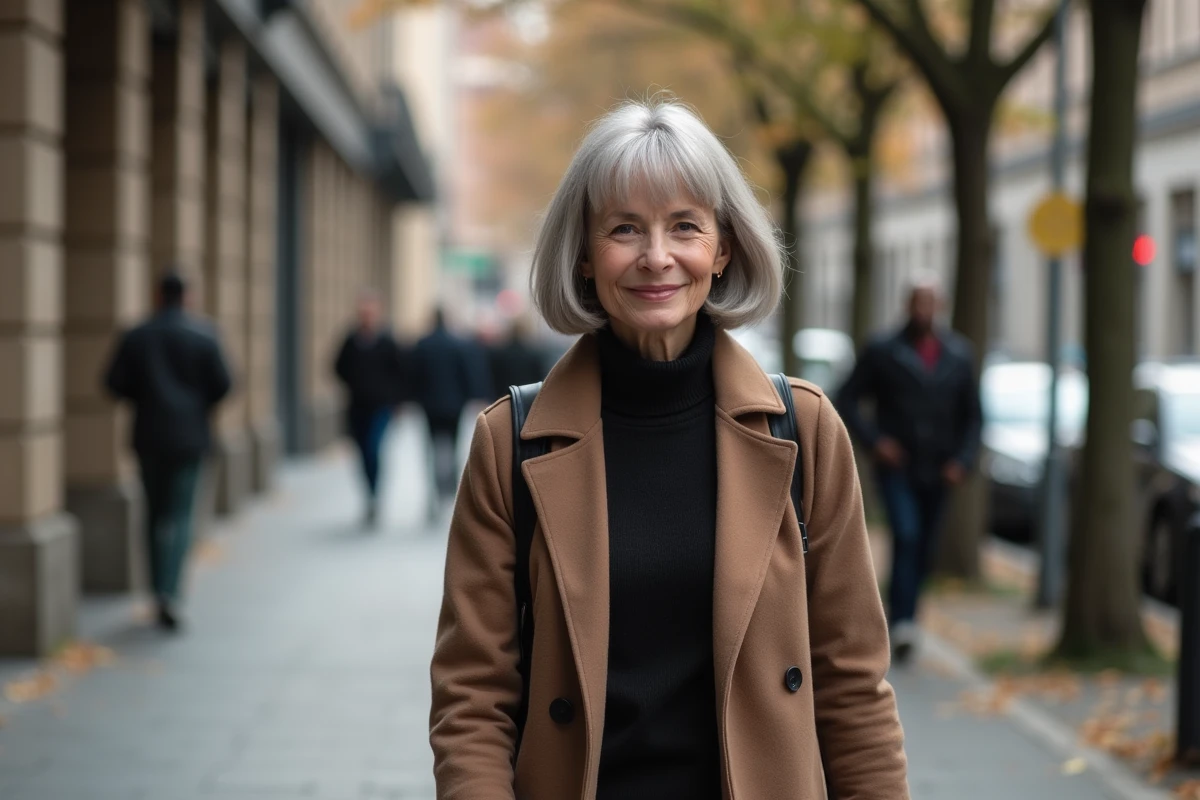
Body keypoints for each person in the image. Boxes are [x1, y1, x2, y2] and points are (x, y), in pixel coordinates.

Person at [429, 100, 908, 799]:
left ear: (722, 249)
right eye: (625, 229)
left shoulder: (803, 430)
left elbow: (853, 685)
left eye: (684, 226)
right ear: (586, 256)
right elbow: (471, 695)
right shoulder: (512, 441)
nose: (657, 256)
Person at [835, 273, 982, 664]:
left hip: (940, 470)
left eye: (932, 303)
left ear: (942, 307)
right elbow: (846, 397)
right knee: (906, 533)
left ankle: (909, 615)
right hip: (898, 465)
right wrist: (875, 443)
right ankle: (900, 623)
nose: (925, 310)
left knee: (926, 546)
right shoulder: (883, 350)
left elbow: (974, 418)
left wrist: (962, 462)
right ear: (908, 305)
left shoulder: (959, 356)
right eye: (919, 302)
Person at [104, 272, 232, 631]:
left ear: (157, 296)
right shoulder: (205, 336)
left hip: (149, 437)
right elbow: (224, 384)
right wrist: (194, 406)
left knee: (153, 514)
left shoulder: (137, 336)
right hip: (190, 439)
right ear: (188, 297)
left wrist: (146, 399)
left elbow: (113, 383)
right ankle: (171, 593)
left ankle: (156, 589)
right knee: (181, 516)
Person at [334, 291, 408, 527]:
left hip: (381, 407)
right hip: (357, 407)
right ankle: (369, 494)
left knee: (374, 448)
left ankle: (376, 495)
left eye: (370, 312)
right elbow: (337, 366)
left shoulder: (387, 341)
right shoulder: (351, 340)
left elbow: (400, 372)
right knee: (363, 452)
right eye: (363, 312)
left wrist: (396, 401)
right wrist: (353, 383)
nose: (366, 316)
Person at [413, 309, 487, 513]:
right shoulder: (458, 344)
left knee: (431, 448)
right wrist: (475, 396)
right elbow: (467, 373)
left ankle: (434, 491)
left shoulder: (423, 344)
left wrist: (413, 398)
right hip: (454, 405)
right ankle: (449, 489)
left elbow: (414, 375)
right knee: (452, 448)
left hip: (429, 405)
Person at [487, 315, 546, 401]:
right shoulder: (533, 354)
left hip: (504, 398)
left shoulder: (499, 354)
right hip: (528, 399)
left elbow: (494, 380)